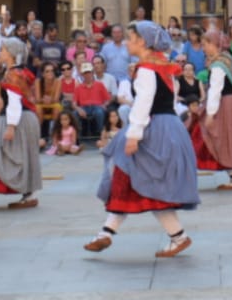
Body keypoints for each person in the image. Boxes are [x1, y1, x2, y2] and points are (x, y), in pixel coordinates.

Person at [85, 22, 200, 257]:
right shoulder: (165, 67)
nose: (127, 42)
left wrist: (134, 135)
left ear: (144, 42)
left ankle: (109, 233)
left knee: (135, 179)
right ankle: (107, 232)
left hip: (152, 128)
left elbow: (143, 103)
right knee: (142, 182)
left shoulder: (147, 69)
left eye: (131, 38)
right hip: (168, 127)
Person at [190, 28, 232, 191]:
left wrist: (210, 114)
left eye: (205, 44)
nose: (204, 47)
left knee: (203, 135)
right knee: (221, 140)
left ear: (214, 44)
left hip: (223, 104)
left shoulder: (218, 65)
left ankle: (183, 175)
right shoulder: (226, 61)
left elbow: (215, 90)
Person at [0, 51, 43, 210]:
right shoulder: (21, 72)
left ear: (12, 54)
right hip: (26, 117)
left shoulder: (13, 75)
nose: (0, 53)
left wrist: (11, 126)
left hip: (17, 118)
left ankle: (27, 193)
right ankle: (29, 194)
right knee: (26, 155)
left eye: (3, 50)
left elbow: (14, 101)